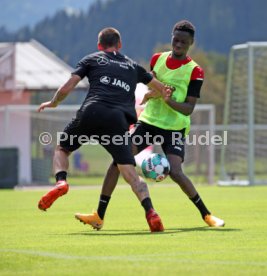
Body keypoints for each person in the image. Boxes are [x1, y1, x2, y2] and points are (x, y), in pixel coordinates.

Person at [77, 20, 225, 229]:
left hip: (174, 127)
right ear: (171, 37)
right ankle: (99, 216)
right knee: (118, 161)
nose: (178, 44)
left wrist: (168, 100)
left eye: (184, 41)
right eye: (176, 39)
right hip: (149, 122)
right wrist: (149, 94)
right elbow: (153, 83)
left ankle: (207, 215)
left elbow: (189, 108)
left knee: (175, 171)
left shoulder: (195, 71)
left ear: (191, 43)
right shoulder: (158, 59)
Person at [37, 27, 173, 232]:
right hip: (117, 121)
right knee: (130, 173)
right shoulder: (133, 66)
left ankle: (61, 182)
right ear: (119, 45)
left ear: (100, 46)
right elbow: (162, 89)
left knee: (62, 149)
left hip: (91, 112)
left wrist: (54, 103)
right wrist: (153, 95)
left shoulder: (92, 59)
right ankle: (151, 212)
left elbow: (67, 87)